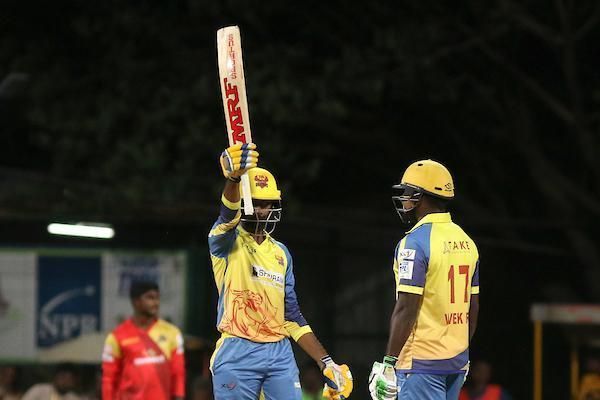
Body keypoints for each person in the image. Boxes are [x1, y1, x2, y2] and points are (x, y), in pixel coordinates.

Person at [208, 143, 353, 400]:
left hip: (279, 354)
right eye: (258, 204)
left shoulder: (281, 253)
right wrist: (233, 180)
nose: (263, 211)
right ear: (244, 203)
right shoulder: (227, 242)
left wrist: (326, 363)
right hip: (237, 349)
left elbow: (292, 317)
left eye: (269, 204)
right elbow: (226, 215)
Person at [369, 159, 480, 400]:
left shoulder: (415, 242)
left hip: (421, 363)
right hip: (457, 362)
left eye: (407, 194)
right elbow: (473, 307)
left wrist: (388, 363)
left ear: (419, 197)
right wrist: (461, 353)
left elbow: (406, 308)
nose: (404, 201)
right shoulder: (467, 242)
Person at [101, 281, 185, 400]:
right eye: (150, 298)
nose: (156, 303)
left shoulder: (172, 333)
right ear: (136, 302)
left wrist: (179, 397)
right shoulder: (116, 336)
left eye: (157, 298)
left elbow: (178, 373)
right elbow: (108, 379)